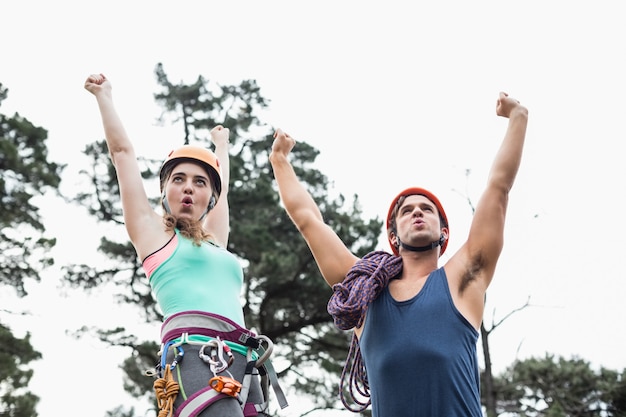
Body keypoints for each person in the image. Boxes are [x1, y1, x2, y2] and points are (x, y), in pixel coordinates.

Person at [269, 92, 528, 416]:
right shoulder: (362, 294)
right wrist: (279, 160)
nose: (417, 212)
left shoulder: (463, 280)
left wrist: (517, 116)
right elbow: (308, 220)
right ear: (393, 235)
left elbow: (498, 188)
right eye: (407, 211)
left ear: (444, 233)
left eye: (427, 209)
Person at [84, 73, 288, 417]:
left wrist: (220, 145)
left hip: (244, 358)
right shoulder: (153, 235)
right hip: (197, 355)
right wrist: (104, 96)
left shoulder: (215, 241)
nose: (189, 188)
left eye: (200, 182)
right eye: (179, 179)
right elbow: (122, 154)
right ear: (165, 190)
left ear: (210, 195)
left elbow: (225, 190)